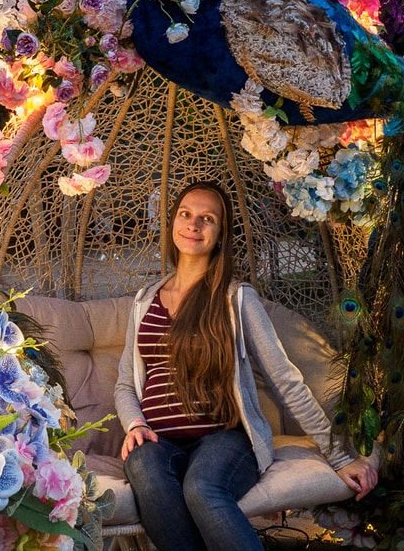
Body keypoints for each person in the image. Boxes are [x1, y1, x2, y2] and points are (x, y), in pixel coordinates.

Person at [114, 180, 378, 551]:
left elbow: (286, 379)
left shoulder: (236, 298)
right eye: (186, 215)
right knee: (143, 467)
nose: (193, 225)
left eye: (207, 219)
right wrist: (135, 424)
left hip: (222, 439)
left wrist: (337, 456)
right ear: (172, 222)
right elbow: (126, 384)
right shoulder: (144, 301)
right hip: (159, 441)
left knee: (202, 488)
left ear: (220, 235)